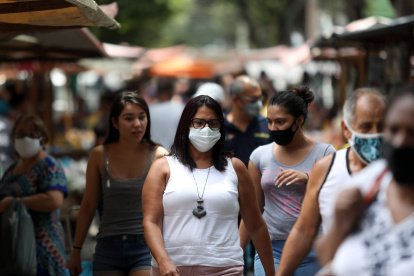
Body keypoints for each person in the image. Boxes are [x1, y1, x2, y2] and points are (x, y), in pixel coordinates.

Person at [142, 95, 276, 276]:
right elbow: (151, 222)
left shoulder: (235, 168)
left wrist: (271, 273)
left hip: (225, 268)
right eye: (199, 123)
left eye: (213, 123)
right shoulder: (163, 167)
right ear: (186, 125)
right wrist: (163, 260)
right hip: (171, 270)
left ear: (221, 127)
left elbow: (256, 226)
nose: (206, 129)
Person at [276, 88, 387, 275]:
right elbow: (305, 230)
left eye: (382, 127)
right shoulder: (327, 169)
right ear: (347, 130)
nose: (375, 135)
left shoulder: (401, 173)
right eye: (366, 127)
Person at [316, 84, 414, 276]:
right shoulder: (370, 182)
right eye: (393, 130)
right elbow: (327, 256)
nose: (400, 141)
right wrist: (340, 223)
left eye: (412, 132)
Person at [239, 86, 336, 276]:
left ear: (299, 120)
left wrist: (309, 179)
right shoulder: (260, 156)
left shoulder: (325, 153)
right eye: (270, 122)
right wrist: (234, 254)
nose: (273, 128)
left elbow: (334, 198)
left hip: (313, 249)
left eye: (280, 122)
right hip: (271, 249)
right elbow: (253, 210)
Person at [68, 91, 168, 276]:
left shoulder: (159, 155)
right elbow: (88, 205)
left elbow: (171, 205)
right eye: (129, 118)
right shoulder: (98, 156)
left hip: (146, 246)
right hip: (107, 245)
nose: (137, 124)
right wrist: (76, 251)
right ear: (114, 123)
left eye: (142, 117)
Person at [0, 114, 68, 276]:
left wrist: (14, 202)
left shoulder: (49, 166)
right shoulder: (12, 169)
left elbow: (53, 200)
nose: (26, 137)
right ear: (13, 138)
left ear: (43, 138)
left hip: (43, 250)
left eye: (32, 133)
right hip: (13, 249)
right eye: (21, 133)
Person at [225, 75, 272, 167]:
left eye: (260, 98)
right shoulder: (220, 127)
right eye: (253, 100)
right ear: (235, 99)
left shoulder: (268, 125)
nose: (259, 103)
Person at [149, 78, 185, 152]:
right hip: (175, 155)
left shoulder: (149, 110)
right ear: (171, 91)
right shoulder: (180, 109)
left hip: (153, 154)